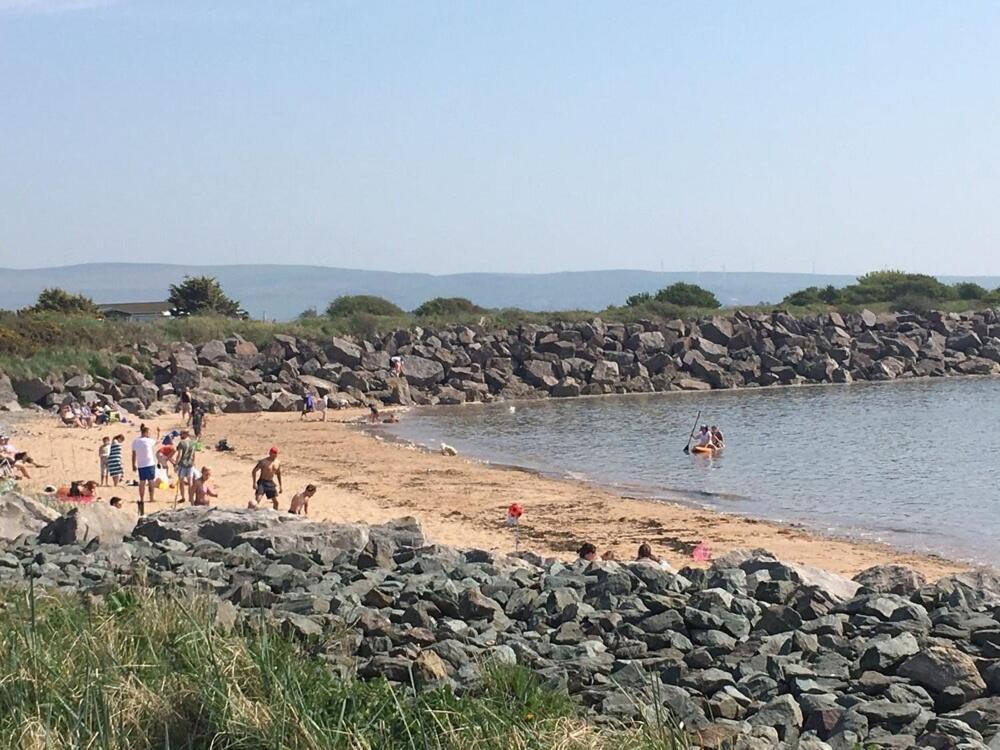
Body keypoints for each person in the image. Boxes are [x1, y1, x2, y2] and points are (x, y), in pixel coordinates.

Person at [131, 424, 159, 516]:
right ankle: (151, 498)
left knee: (142, 482)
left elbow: (133, 454)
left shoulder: (135, 441)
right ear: (146, 432)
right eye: (149, 433)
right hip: (149, 463)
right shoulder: (149, 440)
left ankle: (142, 498)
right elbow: (157, 441)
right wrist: (159, 433)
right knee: (151, 481)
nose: (149, 434)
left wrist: (133, 464)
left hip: (141, 464)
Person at [172, 428, 197, 504]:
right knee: (190, 482)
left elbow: (179, 454)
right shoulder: (193, 443)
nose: (180, 435)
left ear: (185, 434)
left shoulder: (182, 443)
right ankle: (190, 497)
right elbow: (193, 454)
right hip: (190, 464)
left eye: (182, 434)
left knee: (181, 482)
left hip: (182, 465)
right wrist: (193, 462)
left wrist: (176, 464)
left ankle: (183, 497)